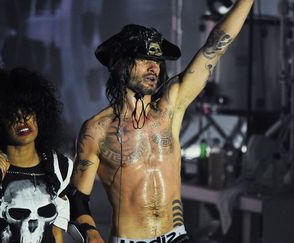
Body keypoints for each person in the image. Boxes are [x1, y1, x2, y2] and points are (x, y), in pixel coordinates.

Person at [69, 0, 254, 242]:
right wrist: (90, 232)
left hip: (176, 236)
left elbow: (215, 48)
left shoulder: (170, 108)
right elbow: (76, 197)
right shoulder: (97, 131)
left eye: (157, 61)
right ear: (120, 64)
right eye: (144, 59)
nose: (153, 66)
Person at [0, 67, 73, 243]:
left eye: (28, 110)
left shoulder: (59, 166)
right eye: (10, 114)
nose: (22, 119)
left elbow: (57, 235)